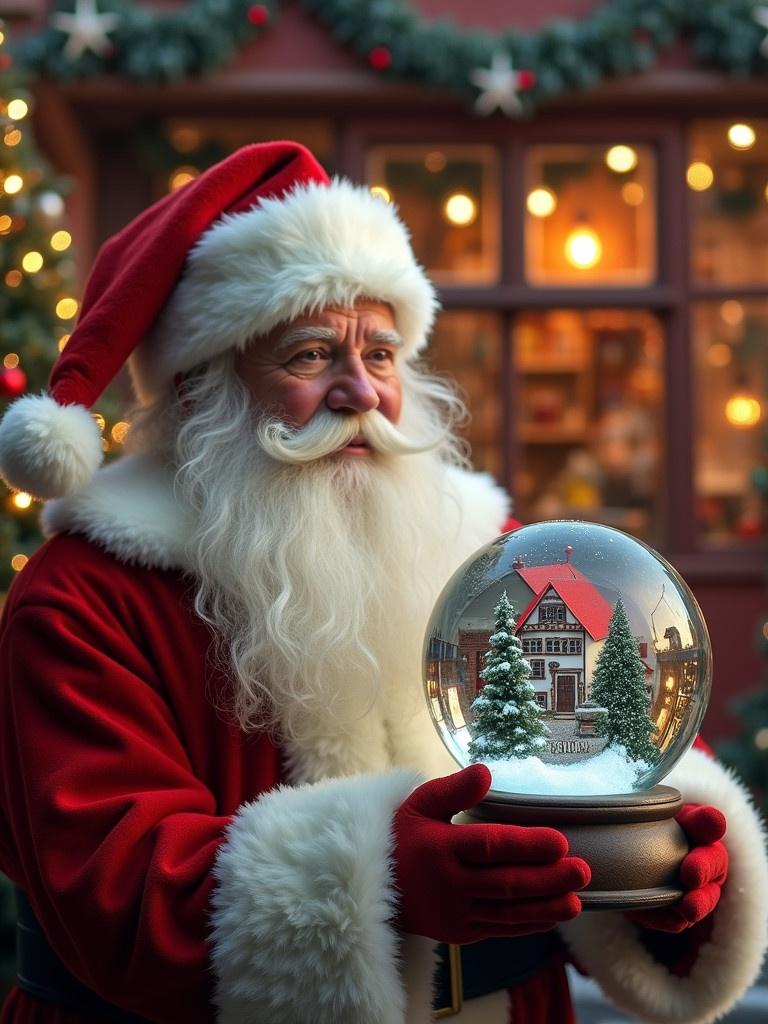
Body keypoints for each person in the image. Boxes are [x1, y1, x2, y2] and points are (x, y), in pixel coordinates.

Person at [0, 141, 764, 1024]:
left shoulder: (494, 560)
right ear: (201, 392)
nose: (360, 391)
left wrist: (670, 865)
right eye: (311, 354)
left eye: (384, 353)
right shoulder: (87, 598)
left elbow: (614, 740)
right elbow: (116, 891)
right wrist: (376, 882)